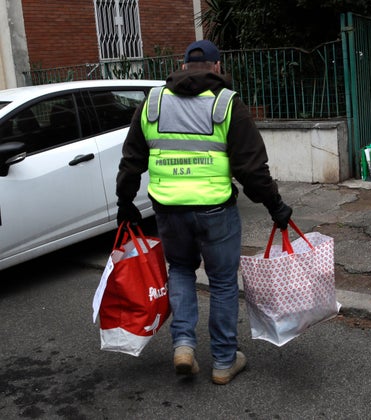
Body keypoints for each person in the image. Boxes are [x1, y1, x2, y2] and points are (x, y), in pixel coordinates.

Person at [115, 40, 292, 384]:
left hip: (168, 209)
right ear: (216, 67)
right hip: (215, 210)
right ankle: (224, 361)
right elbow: (252, 170)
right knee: (223, 283)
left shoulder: (153, 103)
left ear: (183, 66)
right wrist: (275, 205)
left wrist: (125, 203)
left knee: (180, 270)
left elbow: (131, 160)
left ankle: (183, 345)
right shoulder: (227, 104)